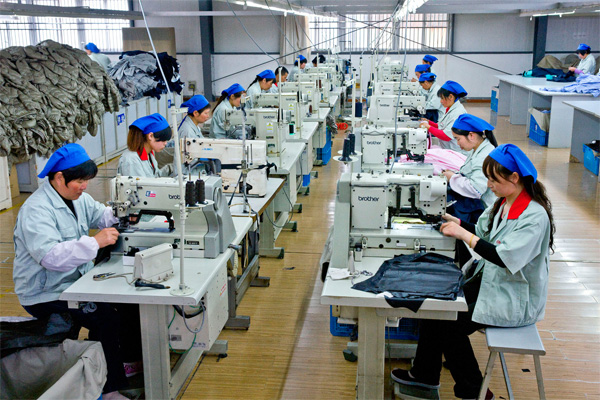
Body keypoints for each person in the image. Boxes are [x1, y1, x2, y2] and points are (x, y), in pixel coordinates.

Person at [391, 143, 555, 400]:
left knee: (449, 324)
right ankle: (424, 374)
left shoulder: (534, 217)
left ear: (515, 177)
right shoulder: (504, 203)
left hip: (513, 298)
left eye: (494, 179)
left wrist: (463, 234)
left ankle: (475, 392)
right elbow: (483, 232)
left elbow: (502, 257)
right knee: (435, 304)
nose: (488, 185)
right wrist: (457, 222)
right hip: (492, 282)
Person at [13, 144, 142, 400]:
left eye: (86, 180)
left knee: (127, 303)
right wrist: (95, 242)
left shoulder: (77, 198)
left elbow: (100, 215)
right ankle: (109, 389)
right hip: (46, 292)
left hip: (75, 283)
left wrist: (122, 214)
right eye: (80, 181)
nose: (84, 186)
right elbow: (50, 256)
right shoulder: (36, 210)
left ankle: (122, 363)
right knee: (106, 317)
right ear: (60, 177)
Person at [443, 114, 498, 226]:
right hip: (476, 204)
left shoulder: (484, 156)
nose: (457, 143)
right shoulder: (477, 149)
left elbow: (475, 189)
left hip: (482, 209)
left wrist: (452, 177)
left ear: (471, 135)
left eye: (458, 139)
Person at [155, 95, 211, 168]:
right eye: (206, 113)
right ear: (195, 113)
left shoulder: (194, 125)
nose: (208, 116)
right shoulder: (187, 130)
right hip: (188, 170)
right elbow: (191, 157)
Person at [419, 80, 468, 154]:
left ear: (451, 97)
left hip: (456, 152)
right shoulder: (449, 109)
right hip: (447, 148)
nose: (441, 101)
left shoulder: (457, 113)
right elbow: (441, 126)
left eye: (442, 98)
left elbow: (446, 136)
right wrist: (429, 122)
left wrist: (428, 127)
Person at [118, 113, 174, 177]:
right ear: (150, 136)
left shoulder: (149, 154)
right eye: (163, 140)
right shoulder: (131, 161)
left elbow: (155, 176)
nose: (165, 143)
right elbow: (140, 183)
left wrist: (172, 168)